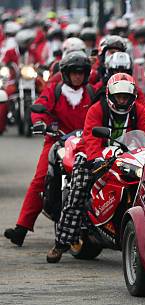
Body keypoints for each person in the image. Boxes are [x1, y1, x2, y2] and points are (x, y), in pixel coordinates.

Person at [46, 73, 145, 263]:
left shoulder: (138, 110)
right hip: (93, 156)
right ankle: (61, 244)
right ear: (110, 95)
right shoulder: (96, 110)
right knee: (77, 191)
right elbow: (91, 138)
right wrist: (96, 158)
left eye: (126, 97)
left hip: (128, 155)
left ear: (133, 97)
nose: (123, 100)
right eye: (119, 96)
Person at [4, 51, 94, 247]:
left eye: (81, 72)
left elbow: (103, 113)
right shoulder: (54, 90)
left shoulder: (93, 93)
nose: (78, 76)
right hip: (57, 140)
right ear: (66, 74)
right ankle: (22, 228)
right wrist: (40, 123)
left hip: (86, 143)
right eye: (74, 72)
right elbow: (40, 107)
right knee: (40, 179)